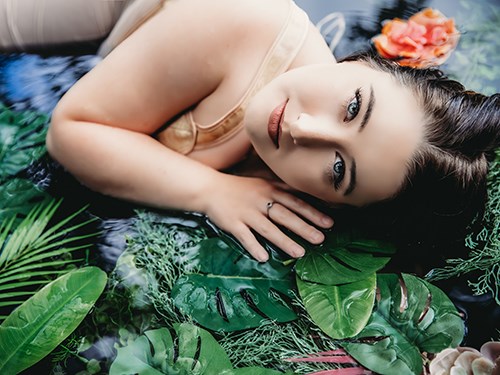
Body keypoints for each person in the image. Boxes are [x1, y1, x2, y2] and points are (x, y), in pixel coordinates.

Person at [1, 0, 498, 262]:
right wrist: (210, 190)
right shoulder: (246, 20)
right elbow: (70, 130)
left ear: (337, 206)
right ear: (370, 63)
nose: (304, 128)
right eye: (352, 106)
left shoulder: (301, 190)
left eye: (339, 168)